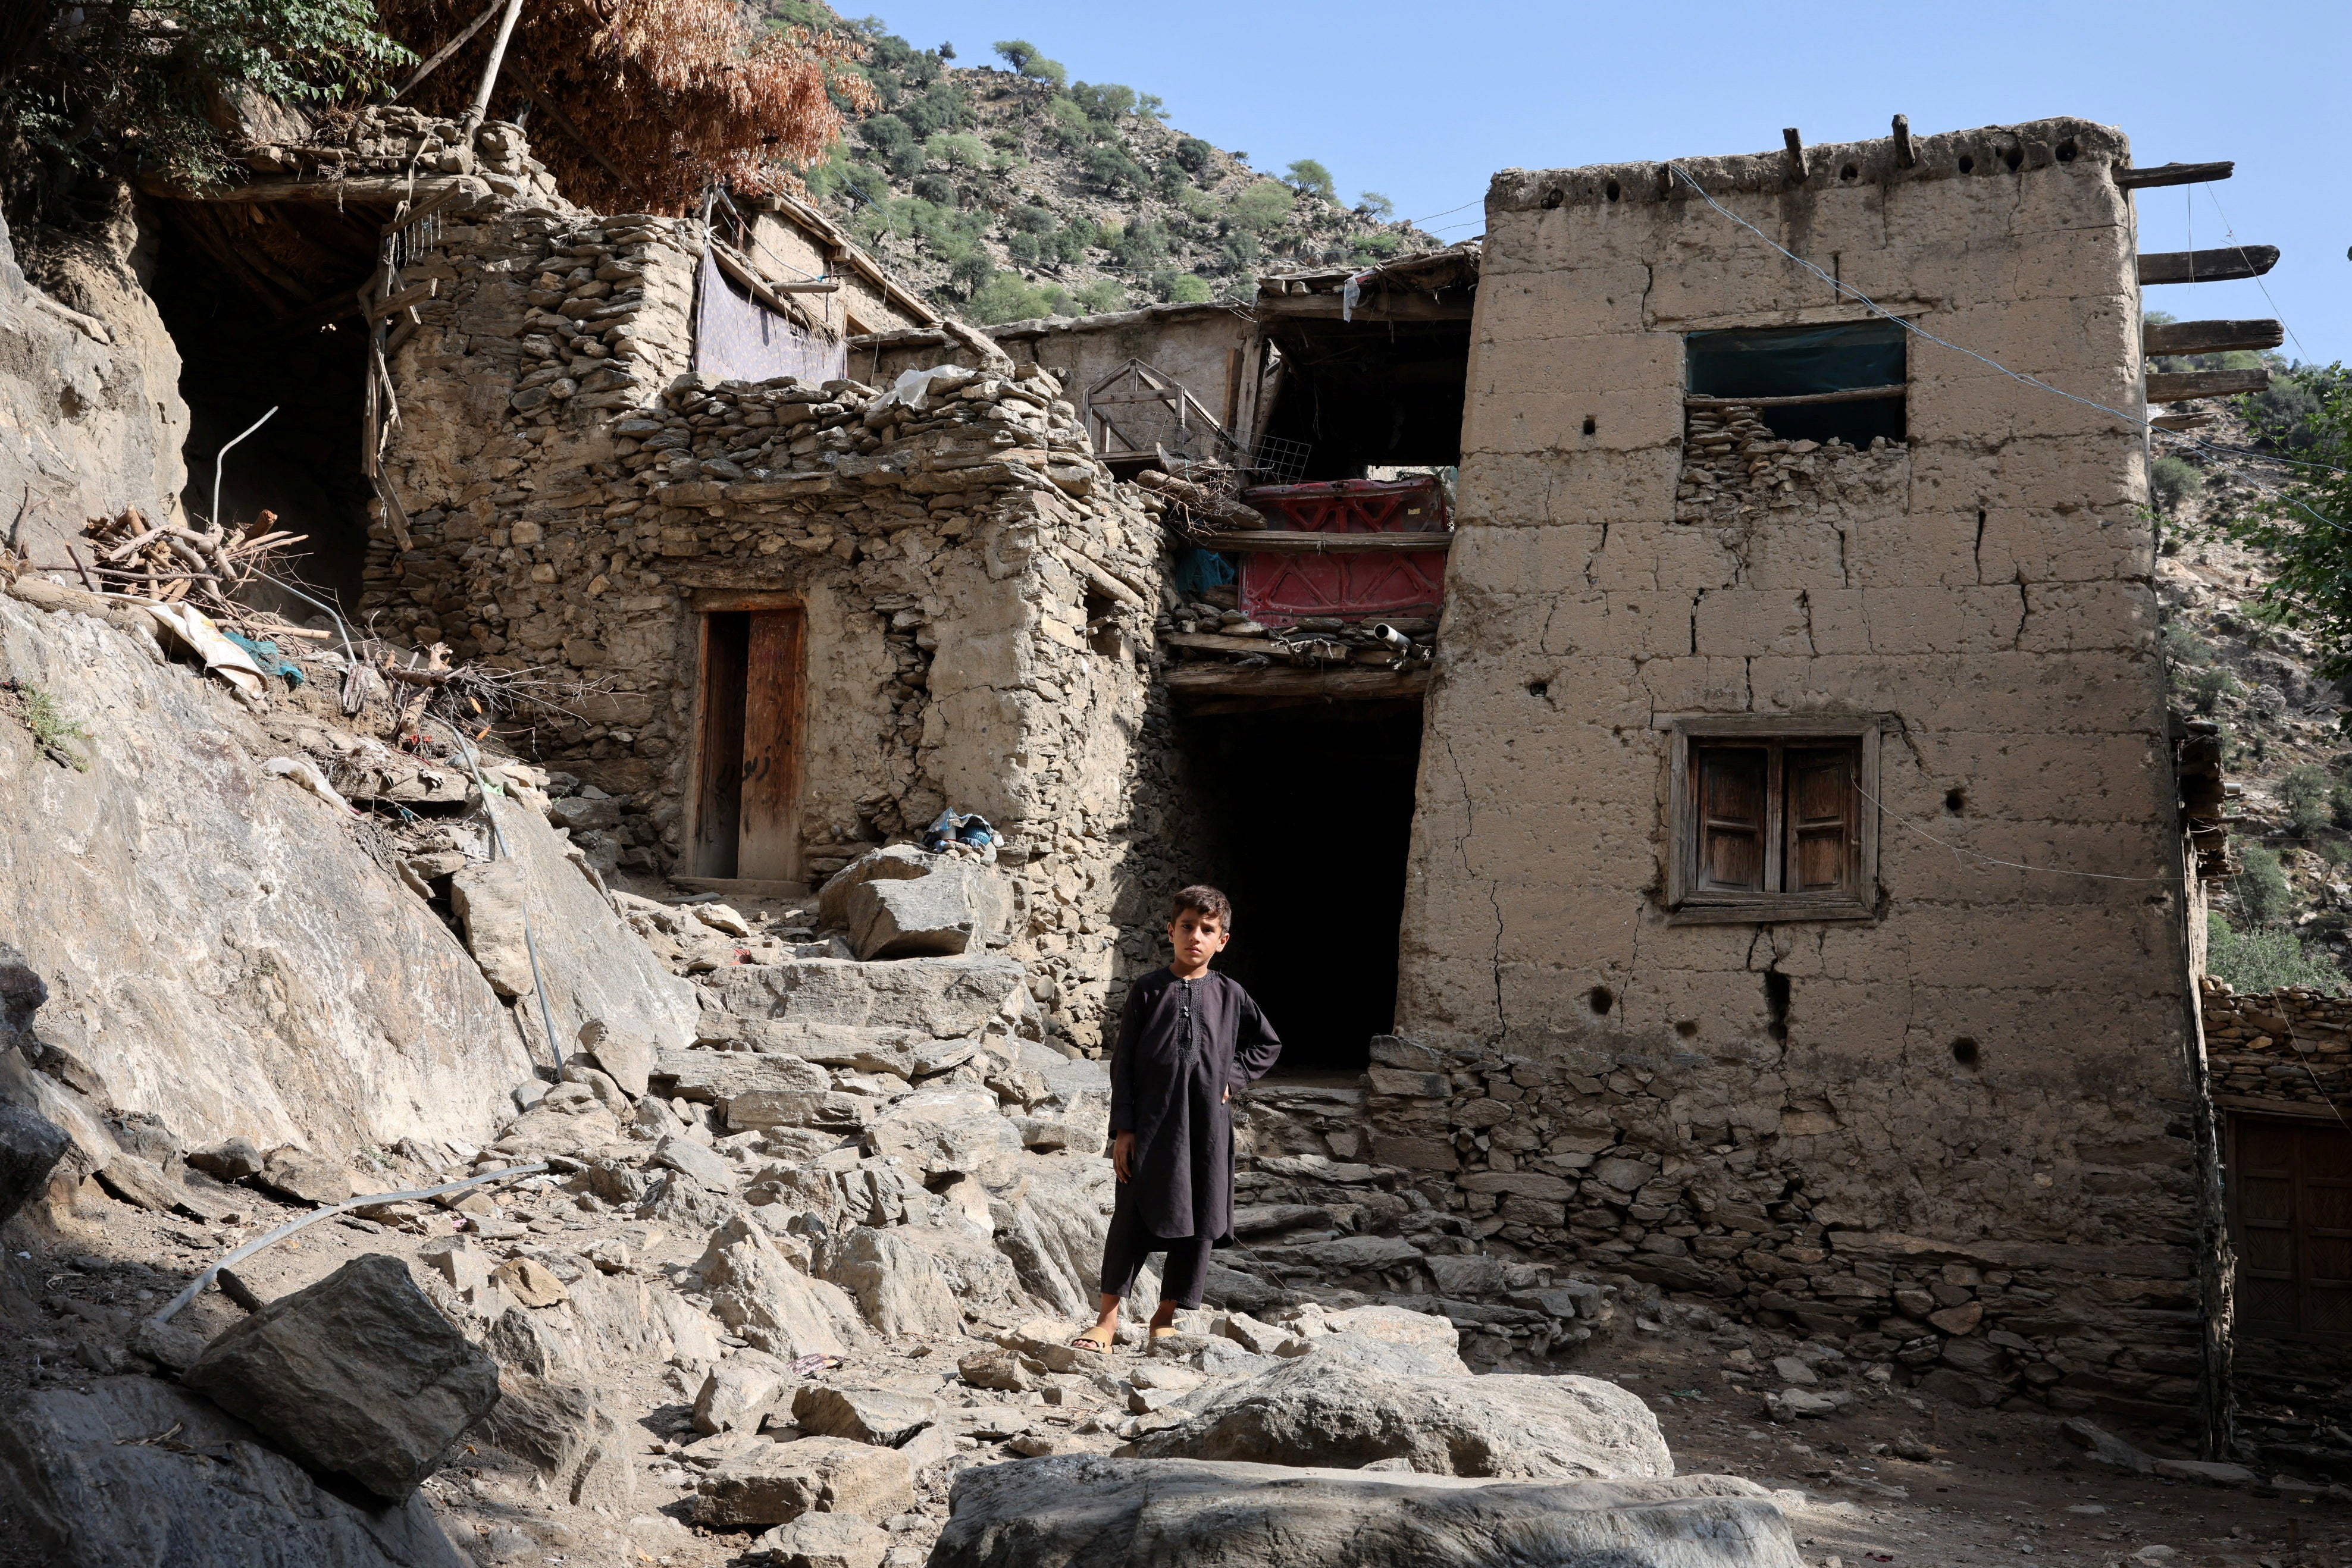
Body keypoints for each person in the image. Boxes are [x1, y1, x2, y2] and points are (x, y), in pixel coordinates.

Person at [1072, 884, 1282, 1350]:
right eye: (1187, 927)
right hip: (1152, 1126)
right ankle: (1107, 1320)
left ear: (1222, 940)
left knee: (1199, 1215)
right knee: (1130, 1216)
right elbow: (1123, 1064)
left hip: (1207, 1127)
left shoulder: (1231, 994)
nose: (1195, 937)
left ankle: (1165, 1316)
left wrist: (1233, 1078)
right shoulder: (1148, 990)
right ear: (1170, 931)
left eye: (1207, 930)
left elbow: (1267, 1044)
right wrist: (1124, 1129)